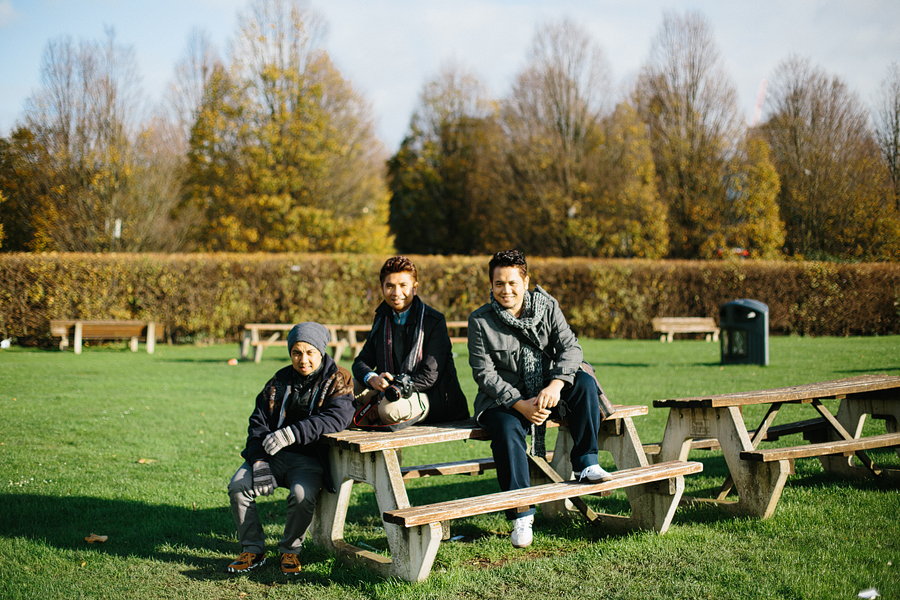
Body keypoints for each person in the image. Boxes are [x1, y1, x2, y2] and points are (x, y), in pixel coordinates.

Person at [467, 249, 613, 549]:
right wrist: (520, 404)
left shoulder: (548, 307)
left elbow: (571, 349)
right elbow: (484, 374)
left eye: (512, 283)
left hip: (547, 389)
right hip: (503, 400)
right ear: (491, 285)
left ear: (525, 281)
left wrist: (557, 385)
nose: (506, 290)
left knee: (584, 383)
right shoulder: (480, 321)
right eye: (498, 284)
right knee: (506, 429)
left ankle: (586, 463)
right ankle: (521, 514)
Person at [226, 322, 354, 576]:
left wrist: (293, 433)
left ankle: (290, 550)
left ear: (321, 351)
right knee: (238, 486)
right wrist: (259, 462)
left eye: (310, 352)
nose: (303, 360)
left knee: (301, 495)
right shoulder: (279, 379)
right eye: (296, 352)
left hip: (310, 460)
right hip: (272, 456)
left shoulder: (339, 378)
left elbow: (338, 417)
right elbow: (258, 423)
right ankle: (253, 549)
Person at [352, 255, 469, 427]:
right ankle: (367, 419)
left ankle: (373, 415)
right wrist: (373, 379)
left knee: (388, 410)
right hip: (391, 391)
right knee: (346, 388)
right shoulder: (382, 318)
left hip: (432, 397)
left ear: (415, 288)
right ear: (381, 288)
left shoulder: (433, 321)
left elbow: (429, 376)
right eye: (390, 286)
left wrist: (393, 388)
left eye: (403, 285)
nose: (396, 293)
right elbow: (361, 361)